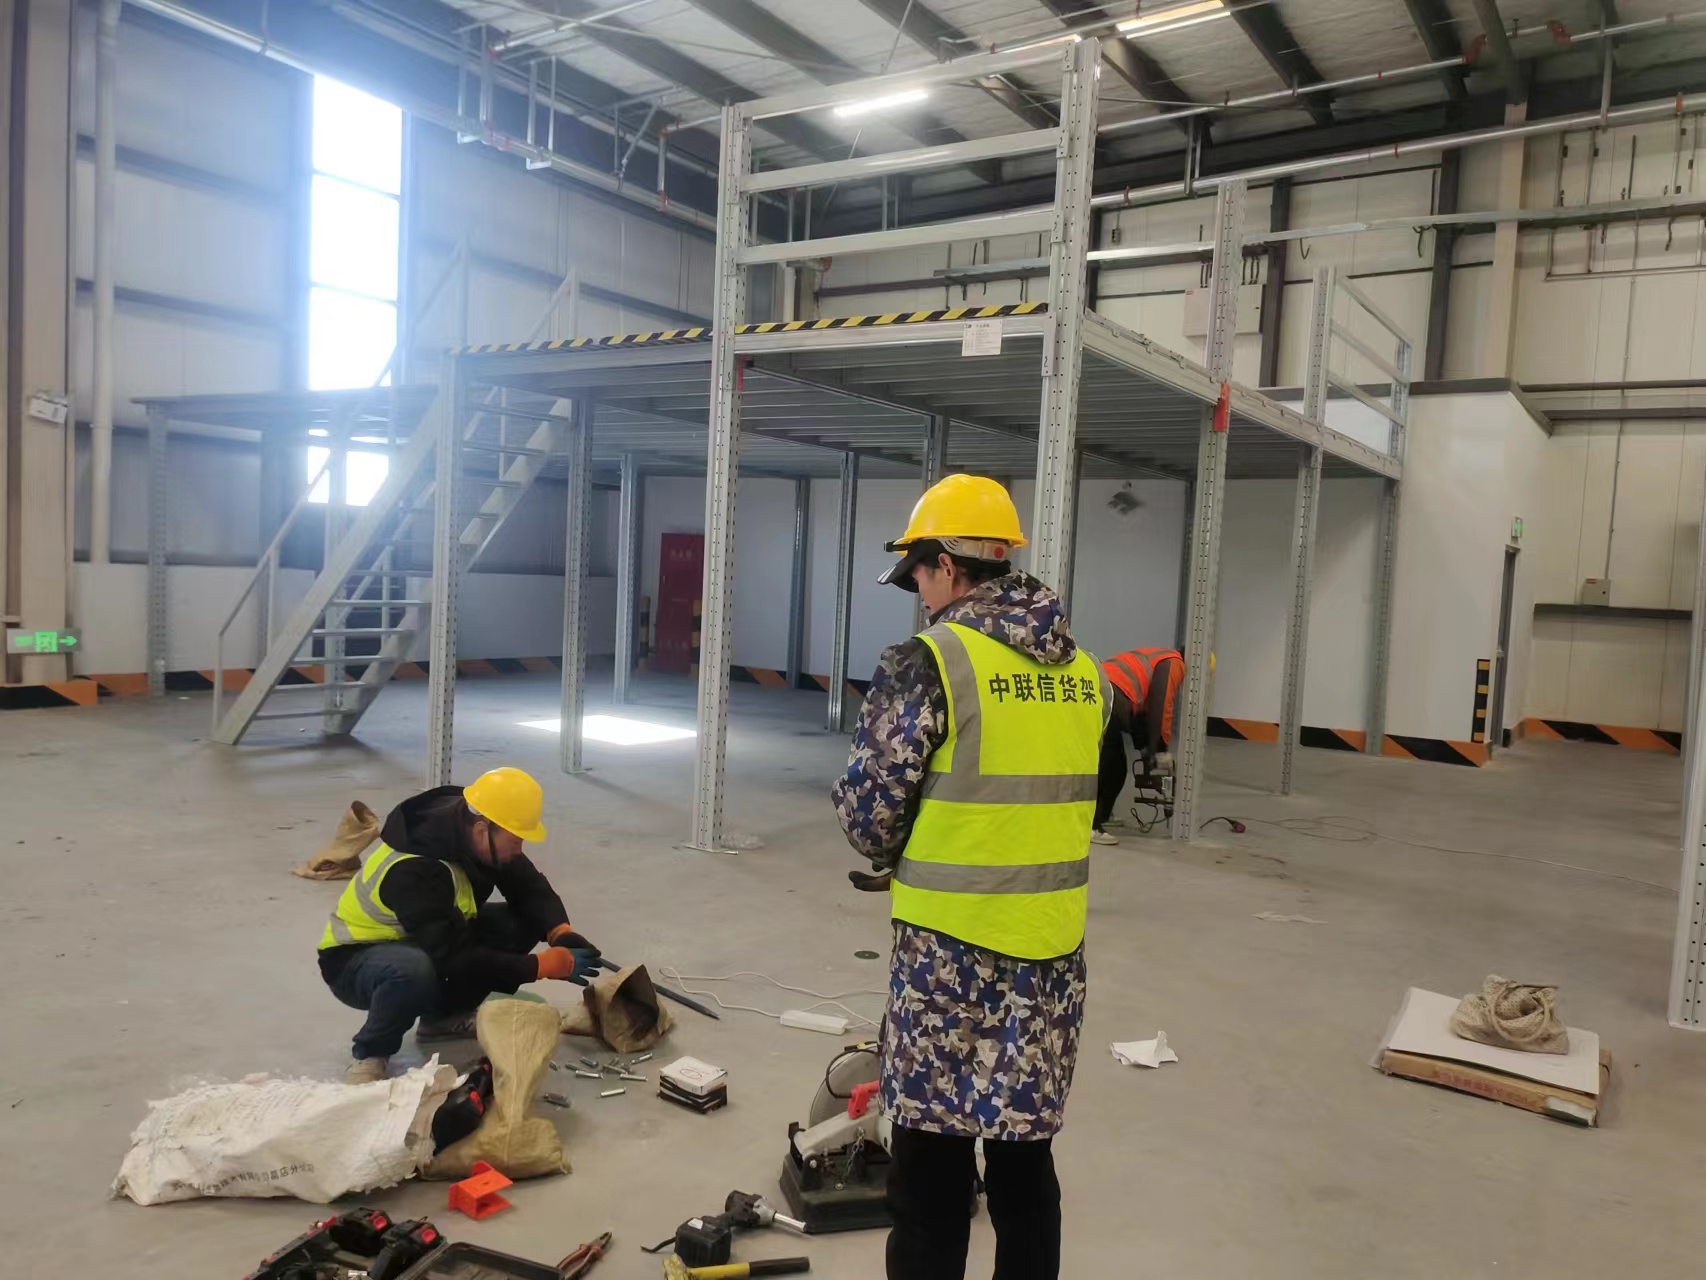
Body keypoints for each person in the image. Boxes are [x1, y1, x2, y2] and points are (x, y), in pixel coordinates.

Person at [831, 474, 1108, 1280]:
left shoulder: (929, 663)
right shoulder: (1085, 673)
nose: (919, 595)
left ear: (947, 566)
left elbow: (869, 816)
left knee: (931, 1170)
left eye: (918, 576)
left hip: (947, 960)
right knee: (1025, 1166)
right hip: (1050, 957)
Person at [316, 766, 600, 1083]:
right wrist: (540, 966)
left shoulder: (473, 831)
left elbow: (526, 884)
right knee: (413, 969)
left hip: (425, 938)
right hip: (355, 960)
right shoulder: (414, 869)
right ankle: (371, 1053)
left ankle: (442, 1019)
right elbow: (455, 957)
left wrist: (559, 931)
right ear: (482, 829)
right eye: (516, 840)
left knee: (520, 923)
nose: (519, 850)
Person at [1091, 646, 1187, 844]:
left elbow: (1143, 708)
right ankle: (1092, 825)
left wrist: (1148, 747)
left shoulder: (1157, 656)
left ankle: (1102, 815)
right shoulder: (1174, 662)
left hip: (1099, 692)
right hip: (1109, 698)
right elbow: (1162, 704)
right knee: (1113, 768)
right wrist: (1159, 749)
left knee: (1106, 763)